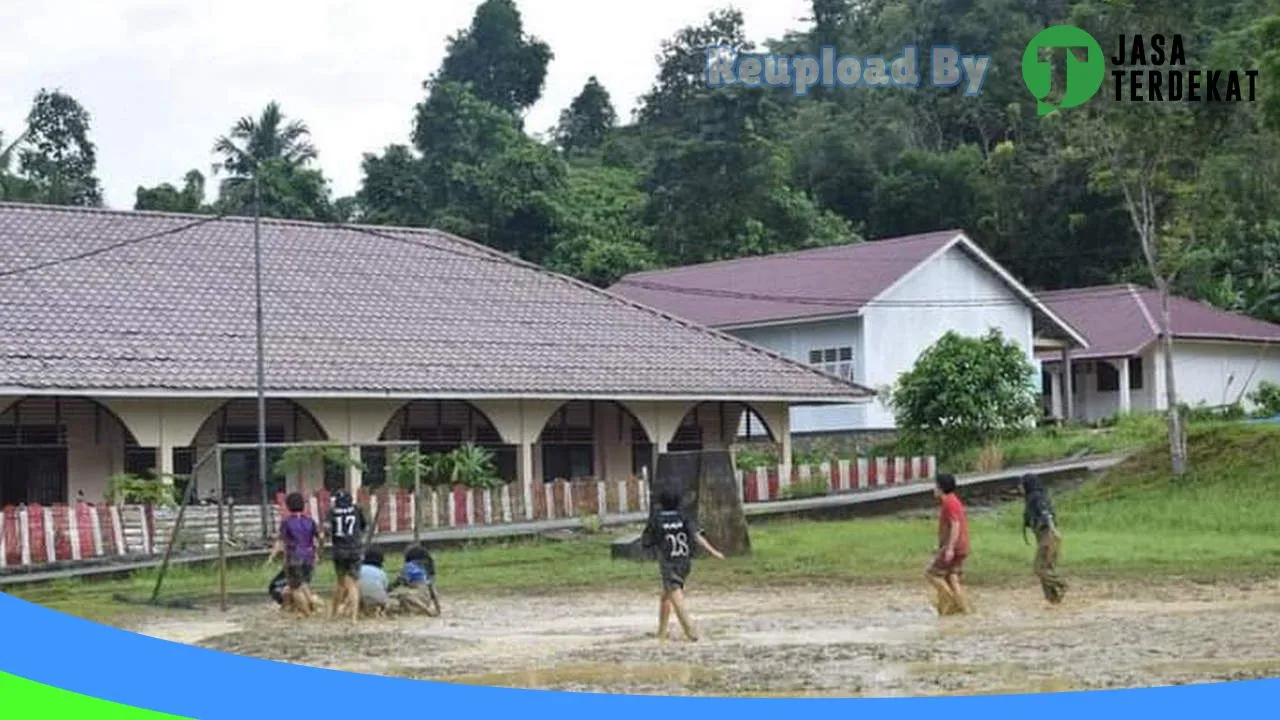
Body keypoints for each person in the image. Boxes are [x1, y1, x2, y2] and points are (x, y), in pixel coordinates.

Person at [640, 489, 725, 642]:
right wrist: (713, 552)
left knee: (677, 598)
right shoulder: (683, 516)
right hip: (685, 561)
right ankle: (661, 632)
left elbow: (646, 541)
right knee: (665, 597)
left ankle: (691, 632)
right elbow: (696, 536)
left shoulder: (656, 519)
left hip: (669, 563)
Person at [267, 492, 321, 617]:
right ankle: (314, 608)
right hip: (309, 556)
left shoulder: (287, 523)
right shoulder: (310, 521)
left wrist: (271, 557)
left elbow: (280, 542)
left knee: (295, 588)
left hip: (294, 556)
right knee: (304, 584)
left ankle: (307, 613)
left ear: (288, 506)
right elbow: (319, 538)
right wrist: (317, 553)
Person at [926, 473, 970, 616]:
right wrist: (940, 545)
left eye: (935, 486)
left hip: (955, 546)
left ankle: (950, 600)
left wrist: (949, 548)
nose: (933, 489)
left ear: (940, 488)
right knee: (952, 577)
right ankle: (964, 610)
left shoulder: (949, 503)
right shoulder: (954, 501)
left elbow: (955, 524)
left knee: (932, 574)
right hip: (962, 546)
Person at [1022, 474, 1067, 604]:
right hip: (1045, 534)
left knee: (1039, 568)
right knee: (1047, 567)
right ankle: (1053, 598)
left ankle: (1061, 584)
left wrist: (1053, 530)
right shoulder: (1036, 496)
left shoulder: (1035, 497)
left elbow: (1046, 513)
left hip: (1047, 534)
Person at [324, 490, 368, 622]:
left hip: (339, 551)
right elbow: (363, 526)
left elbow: (326, 530)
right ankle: (354, 617)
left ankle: (333, 613)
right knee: (352, 584)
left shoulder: (331, 512)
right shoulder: (357, 509)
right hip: (354, 549)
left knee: (340, 583)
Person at [388, 544, 440, 616]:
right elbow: (433, 591)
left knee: (402, 596)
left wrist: (388, 589)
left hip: (416, 598)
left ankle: (427, 611)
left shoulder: (409, 566)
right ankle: (424, 609)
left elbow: (398, 581)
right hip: (426, 599)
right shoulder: (426, 570)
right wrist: (438, 608)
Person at [355, 548, 392, 617]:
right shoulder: (382, 573)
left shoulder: (358, 569)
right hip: (378, 600)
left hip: (359, 599)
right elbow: (386, 588)